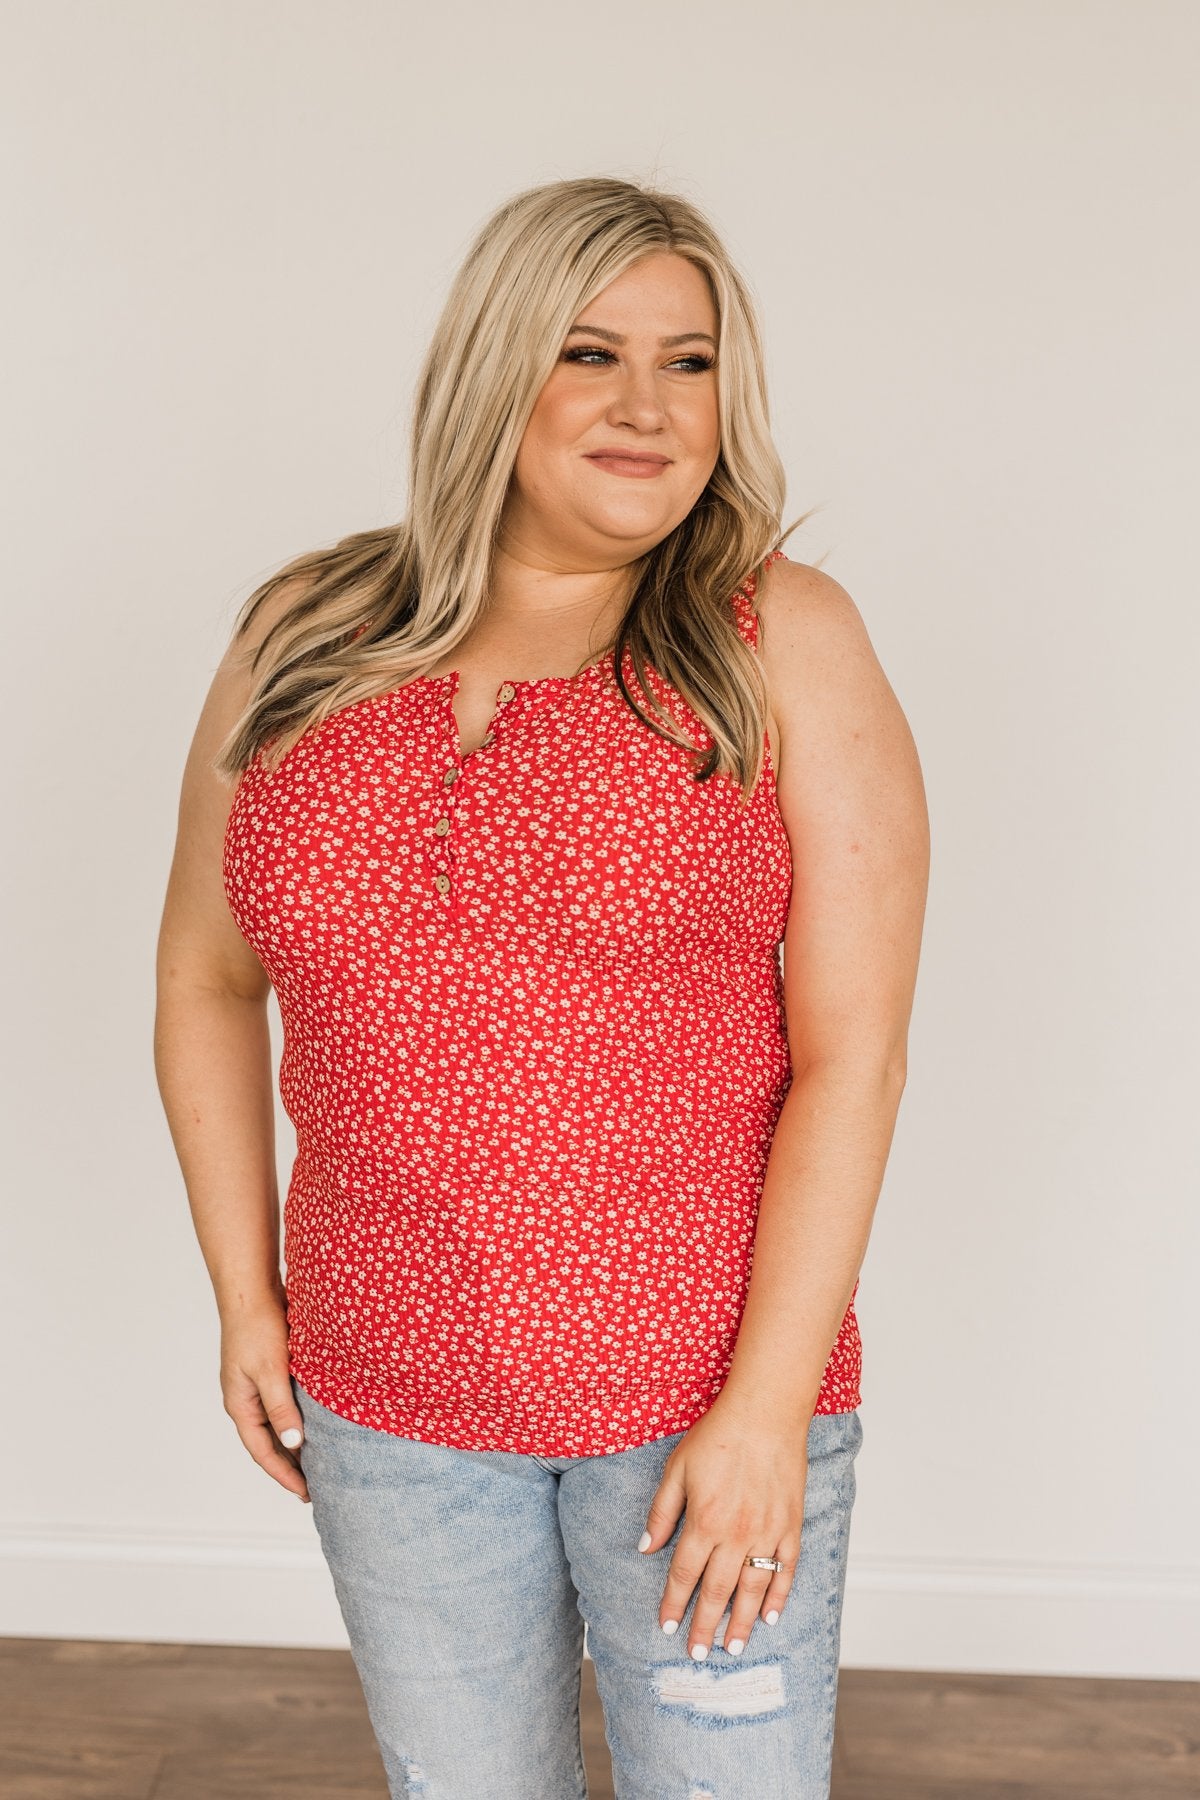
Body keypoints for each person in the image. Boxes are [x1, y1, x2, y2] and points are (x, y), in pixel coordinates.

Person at [155, 175, 929, 1799]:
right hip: (389, 1400)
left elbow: (851, 1059)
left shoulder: (780, 639)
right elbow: (208, 977)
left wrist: (766, 1414)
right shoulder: (302, 634)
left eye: (691, 363)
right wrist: (245, 1292)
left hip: (698, 1402)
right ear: (494, 368)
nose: (650, 405)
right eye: (592, 352)